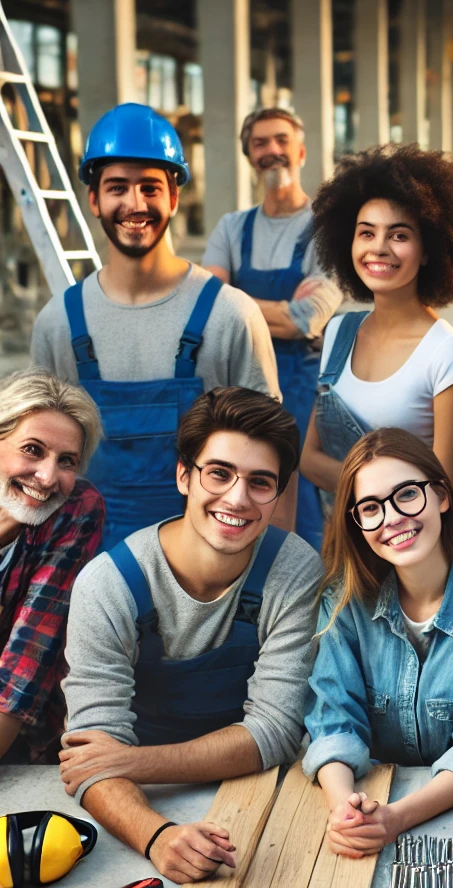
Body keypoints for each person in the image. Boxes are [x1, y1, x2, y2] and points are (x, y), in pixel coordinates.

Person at [59, 388, 321, 884]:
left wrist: (132, 760)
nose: (237, 499)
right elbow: (90, 757)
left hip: (256, 795)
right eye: (219, 473)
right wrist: (157, 836)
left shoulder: (294, 571)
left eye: (260, 483)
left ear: (278, 495)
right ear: (184, 476)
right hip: (141, 802)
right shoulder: (109, 585)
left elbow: (277, 730)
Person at [32, 103, 276, 552]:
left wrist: (271, 569)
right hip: (86, 571)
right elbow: (38, 468)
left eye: (150, 187)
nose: (135, 204)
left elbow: (273, 460)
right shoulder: (58, 325)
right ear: (93, 199)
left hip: (211, 571)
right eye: (117, 187)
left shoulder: (230, 315)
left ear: (174, 197)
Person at [304, 428, 453, 858]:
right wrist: (345, 812)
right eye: (370, 507)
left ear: (442, 495)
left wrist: (396, 819)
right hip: (369, 803)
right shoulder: (342, 603)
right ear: (357, 523)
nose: (391, 518)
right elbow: (334, 722)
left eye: (406, 495)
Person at [300, 145, 453, 515]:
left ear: (429, 249)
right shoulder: (338, 332)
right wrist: (394, 487)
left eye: (399, 236)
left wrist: (349, 482)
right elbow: (306, 459)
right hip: (339, 552)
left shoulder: (446, 353)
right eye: (366, 233)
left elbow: (442, 489)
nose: (379, 248)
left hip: (410, 553)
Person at [205, 108, 343, 549]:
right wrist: (279, 308)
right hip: (240, 386)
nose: (272, 151)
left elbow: (308, 319)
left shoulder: (328, 229)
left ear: (300, 151)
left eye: (281, 140)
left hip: (305, 392)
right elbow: (205, 308)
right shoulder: (231, 227)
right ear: (249, 155)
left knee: (303, 502)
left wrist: (235, 300)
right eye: (260, 143)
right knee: (243, 494)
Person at [0, 370, 104, 764]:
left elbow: (27, 658)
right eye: (32, 449)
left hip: (23, 739)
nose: (46, 477)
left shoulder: (76, 508)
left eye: (66, 461)